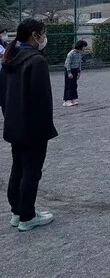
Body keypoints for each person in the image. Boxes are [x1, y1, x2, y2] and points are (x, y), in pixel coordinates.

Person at [0, 19, 56, 231]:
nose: (44, 37)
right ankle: (28, 215)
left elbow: (2, 96)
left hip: (14, 125)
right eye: (43, 33)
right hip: (33, 127)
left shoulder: (10, 57)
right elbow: (42, 99)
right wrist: (45, 129)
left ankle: (17, 212)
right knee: (32, 171)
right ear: (34, 35)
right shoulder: (36, 61)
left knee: (18, 169)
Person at [63, 40, 88, 107]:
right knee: (68, 85)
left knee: (74, 85)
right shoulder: (71, 53)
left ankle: (73, 98)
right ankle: (66, 100)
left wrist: (79, 71)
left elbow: (79, 62)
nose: (84, 48)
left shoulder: (80, 53)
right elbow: (68, 63)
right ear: (80, 46)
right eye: (84, 47)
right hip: (69, 70)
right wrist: (69, 72)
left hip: (75, 70)